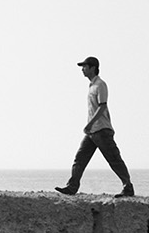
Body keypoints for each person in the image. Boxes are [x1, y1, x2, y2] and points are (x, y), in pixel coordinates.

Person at [55, 56, 135, 198]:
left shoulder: (100, 85)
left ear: (93, 68)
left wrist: (90, 123)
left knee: (114, 159)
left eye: (85, 67)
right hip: (92, 131)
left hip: (102, 130)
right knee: (80, 158)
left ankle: (128, 187)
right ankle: (72, 187)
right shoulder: (91, 85)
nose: (82, 69)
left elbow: (102, 106)